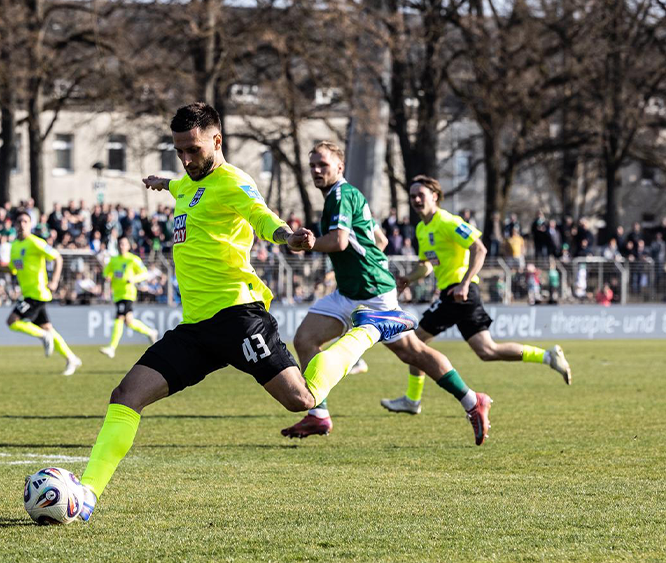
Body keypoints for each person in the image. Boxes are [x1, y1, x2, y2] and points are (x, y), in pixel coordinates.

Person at [70, 103, 418, 523]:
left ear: (217, 141)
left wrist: (292, 237)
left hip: (239, 317)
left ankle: (369, 329)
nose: (185, 158)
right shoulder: (186, 182)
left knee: (301, 400)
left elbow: (263, 218)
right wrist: (163, 182)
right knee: (126, 396)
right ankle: (87, 494)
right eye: (178, 150)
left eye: (193, 149)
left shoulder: (234, 180)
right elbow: (181, 183)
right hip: (196, 329)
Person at [279, 142, 493, 444]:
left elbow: (339, 242)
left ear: (339, 167)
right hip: (349, 290)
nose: (316, 170)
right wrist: (361, 262)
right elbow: (378, 239)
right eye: (312, 164)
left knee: (413, 352)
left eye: (322, 164)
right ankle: (319, 415)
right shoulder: (345, 195)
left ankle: (473, 401)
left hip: (373, 292)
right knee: (305, 339)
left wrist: (310, 244)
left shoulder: (340, 194)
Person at [382, 176, 572, 416]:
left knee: (414, 342)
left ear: (435, 196)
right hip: (457, 295)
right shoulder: (421, 228)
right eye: (412, 196)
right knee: (487, 350)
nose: (416, 199)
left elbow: (479, 248)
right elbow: (427, 265)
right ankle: (547, 357)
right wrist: (407, 279)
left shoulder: (448, 222)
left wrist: (464, 283)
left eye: (421, 194)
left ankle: (412, 399)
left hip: (459, 292)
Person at [4, 210, 82, 375]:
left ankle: (43, 336)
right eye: (19, 221)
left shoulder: (35, 242)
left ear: (30, 224)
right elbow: (12, 269)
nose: (22, 224)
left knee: (12, 321)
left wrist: (54, 281)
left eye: (26, 221)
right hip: (28, 293)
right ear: (15, 225)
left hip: (37, 293)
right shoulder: (15, 246)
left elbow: (57, 258)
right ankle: (71, 358)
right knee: (49, 329)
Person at [99, 236, 159, 359]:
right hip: (117, 294)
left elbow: (145, 273)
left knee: (119, 317)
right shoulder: (114, 260)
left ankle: (112, 347)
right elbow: (106, 272)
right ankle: (151, 332)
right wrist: (107, 276)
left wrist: (134, 279)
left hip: (128, 293)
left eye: (124, 244)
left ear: (129, 246)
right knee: (129, 322)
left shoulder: (133, 260)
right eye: (120, 244)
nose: (122, 246)